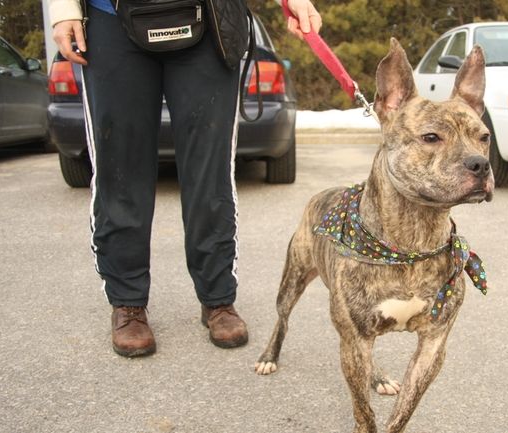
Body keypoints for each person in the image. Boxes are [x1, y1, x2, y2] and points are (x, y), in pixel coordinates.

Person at [48, 0, 322, 357]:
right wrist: (64, 8)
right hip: (111, 18)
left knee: (210, 173)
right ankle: (128, 303)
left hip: (206, 19)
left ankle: (218, 299)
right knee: (120, 170)